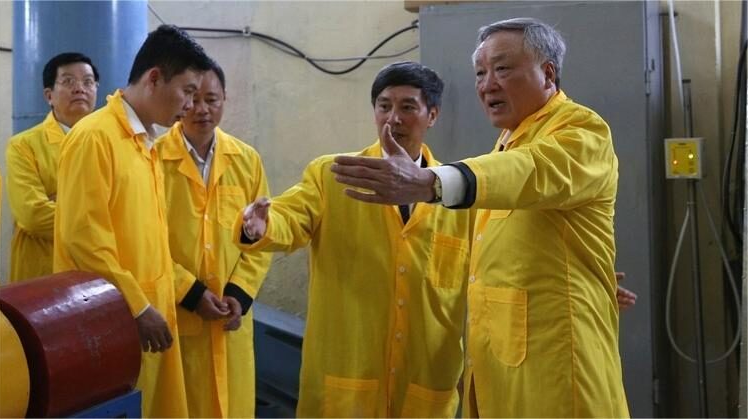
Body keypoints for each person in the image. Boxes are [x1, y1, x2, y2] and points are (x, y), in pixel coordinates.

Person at [331, 18, 629, 417]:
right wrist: (581, 273)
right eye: (480, 73)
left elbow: (531, 172)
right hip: (502, 372)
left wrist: (429, 182)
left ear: (548, 73)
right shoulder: (510, 142)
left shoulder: (581, 130)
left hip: (554, 373)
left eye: (503, 69)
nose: (488, 84)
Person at [240, 61, 472, 417]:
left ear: (432, 115)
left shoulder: (456, 196)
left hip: (425, 384)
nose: (393, 118)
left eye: (408, 106)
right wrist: (263, 226)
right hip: (348, 381)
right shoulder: (334, 175)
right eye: (384, 106)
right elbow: (291, 217)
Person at [53, 25, 212, 418]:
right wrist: (138, 309)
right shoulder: (96, 137)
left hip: (149, 315)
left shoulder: (145, 143)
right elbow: (85, 240)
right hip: (113, 320)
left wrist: (182, 292)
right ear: (155, 78)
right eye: (188, 92)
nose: (191, 106)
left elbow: (149, 243)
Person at [157, 63, 272, 417]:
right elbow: (148, 239)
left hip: (230, 317)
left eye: (212, 99)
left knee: (232, 406)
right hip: (176, 314)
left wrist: (239, 294)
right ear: (179, 101)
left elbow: (262, 237)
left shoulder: (246, 160)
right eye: (192, 98)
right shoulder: (154, 158)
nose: (202, 109)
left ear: (225, 100)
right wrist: (189, 293)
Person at [6, 52, 99, 282]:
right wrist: (99, 221)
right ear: (49, 95)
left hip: (99, 274)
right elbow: (33, 215)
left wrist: (61, 203)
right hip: (44, 274)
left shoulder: (110, 143)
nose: (80, 88)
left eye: (88, 82)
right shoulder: (23, 146)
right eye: (68, 81)